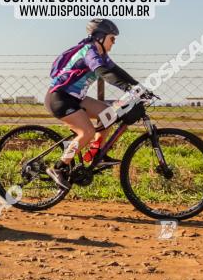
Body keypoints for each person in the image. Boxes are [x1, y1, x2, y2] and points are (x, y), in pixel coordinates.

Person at [45, 19, 142, 190]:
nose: (114, 43)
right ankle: (59, 167)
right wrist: (127, 88)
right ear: (100, 37)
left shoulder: (101, 54)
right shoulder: (89, 52)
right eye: (112, 39)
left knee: (110, 113)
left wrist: (137, 86)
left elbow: (116, 70)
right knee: (87, 131)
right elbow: (103, 72)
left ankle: (95, 153)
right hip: (59, 98)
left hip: (75, 97)